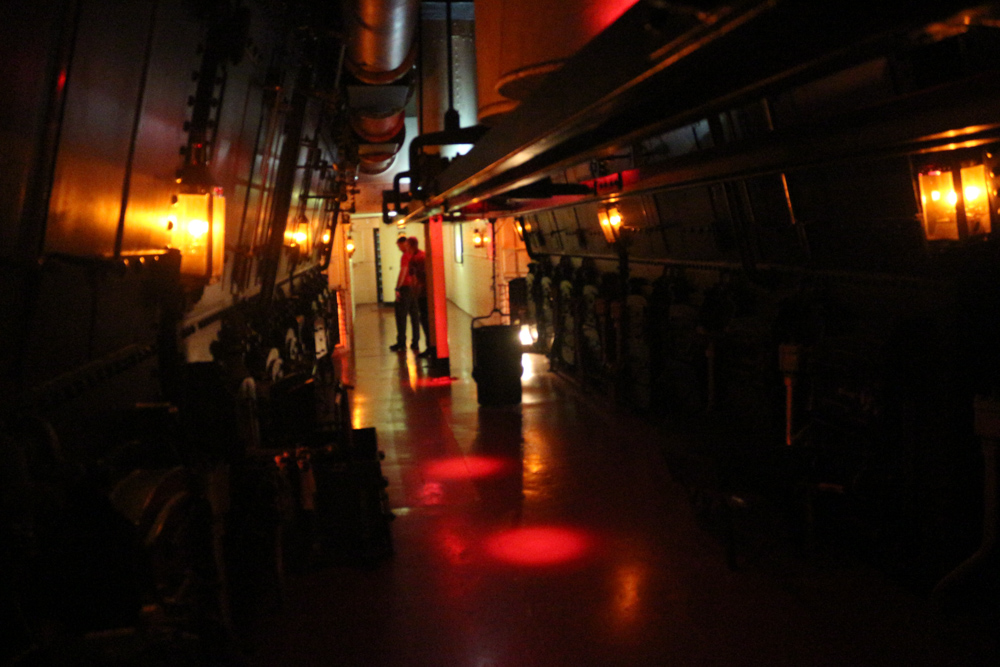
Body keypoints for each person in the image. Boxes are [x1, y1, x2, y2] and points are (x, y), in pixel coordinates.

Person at [389, 236, 420, 352]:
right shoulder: (418, 254)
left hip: (406, 288)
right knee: (415, 316)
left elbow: (403, 272)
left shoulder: (405, 256)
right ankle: (415, 342)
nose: (399, 248)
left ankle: (401, 342)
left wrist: (397, 288)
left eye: (399, 246)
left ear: (404, 244)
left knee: (401, 316)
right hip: (416, 289)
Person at [406, 236, 431, 356]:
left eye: (407, 246)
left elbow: (414, 277)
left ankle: (430, 346)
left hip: (422, 293)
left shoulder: (415, 259)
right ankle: (431, 345)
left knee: (424, 320)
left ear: (412, 246)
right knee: (427, 320)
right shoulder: (424, 255)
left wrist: (414, 291)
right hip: (426, 292)